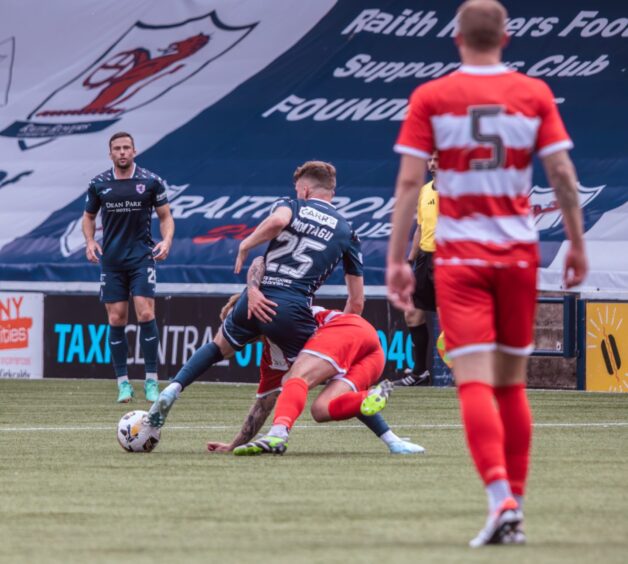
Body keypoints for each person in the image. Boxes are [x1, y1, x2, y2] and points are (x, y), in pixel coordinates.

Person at [386, 0, 587, 547]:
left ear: (456, 39)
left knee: (474, 379)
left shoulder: (432, 96)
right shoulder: (533, 93)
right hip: (518, 255)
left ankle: (499, 498)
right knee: (511, 384)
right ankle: (513, 506)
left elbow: (408, 186)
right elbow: (562, 174)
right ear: (507, 37)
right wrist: (575, 241)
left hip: (460, 258)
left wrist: (397, 259)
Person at [148, 161, 365, 428]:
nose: (297, 194)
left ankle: (174, 387)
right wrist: (338, 340)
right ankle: (388, 435)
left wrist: (245, 245)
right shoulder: (348, 232)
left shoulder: (293, 205)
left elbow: (277, 222)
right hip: (292, 309)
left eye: (298, 189)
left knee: (217, 347)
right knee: (331, 376)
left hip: (254, 298)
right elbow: (356, 302)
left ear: (306, 190)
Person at [206, 287, 425, 455]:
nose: (234, 334)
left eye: (236, 324)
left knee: (295, 377)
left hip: (349, 330)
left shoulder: (286, 320)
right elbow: (262, 406)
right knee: (322, 409)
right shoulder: (270, 356)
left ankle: (278, 434)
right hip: (371, 355)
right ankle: (392, 439)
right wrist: (232, 445)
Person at [82, 131, 174, 403]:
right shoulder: (99, 184)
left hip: (141, 257)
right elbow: (88, 217)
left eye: (126, 148)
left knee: (145, 313)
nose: (122, 152)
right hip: (111, 260)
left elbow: (166, 216)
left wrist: (167, 240)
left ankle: (151, 380)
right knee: (116, 319)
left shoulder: (150, 181)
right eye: (117, 149)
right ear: (110, 153)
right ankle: (123, 383)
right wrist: (89, 241)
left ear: (134, 151)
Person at [396, 151, 439, 387]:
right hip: (425, 260)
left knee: (453, 321)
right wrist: (409, 262)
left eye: (438, 159)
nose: (432, 164)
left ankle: (470, 376)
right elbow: (421, 229)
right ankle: (420, 372)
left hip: (450, 262)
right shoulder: (425, 191)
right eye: (430, 159)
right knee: (412, 313)